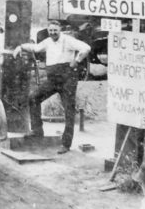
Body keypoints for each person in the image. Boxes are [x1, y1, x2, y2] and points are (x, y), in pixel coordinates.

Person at [13, 19, 90, 154]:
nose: (53, 33)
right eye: (51, 30)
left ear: (60, 30)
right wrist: (21, 47)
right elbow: (36, 48)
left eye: (55, 30)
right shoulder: (48, 41)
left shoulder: (68, 40)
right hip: (53, 80)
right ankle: (37, 130)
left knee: (69, 111)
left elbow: (86, 48)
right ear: (48, 31)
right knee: (33, 97)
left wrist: (77, 61)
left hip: (67, 80)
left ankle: (66, 144)